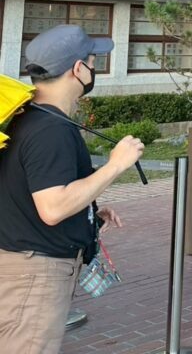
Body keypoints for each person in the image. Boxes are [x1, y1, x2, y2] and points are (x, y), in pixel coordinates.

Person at [0, 24, 144, 354]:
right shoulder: (50, 129)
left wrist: (87, 211)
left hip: (19, 265)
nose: (93, 70)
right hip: (35, 275)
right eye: (93, 63)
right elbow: (53, 208)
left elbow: (29, 189)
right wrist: (115, 165)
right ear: (78, 69)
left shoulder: (25, 117)